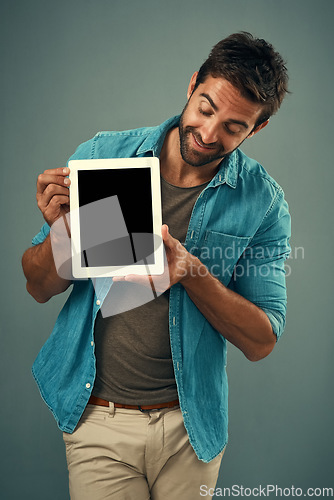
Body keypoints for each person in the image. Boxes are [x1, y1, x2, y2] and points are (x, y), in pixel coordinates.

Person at [22, 32, 291, 499]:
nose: (209, 134)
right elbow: (39, 286)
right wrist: (64, 233)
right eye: (206, 108)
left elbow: (262, 339)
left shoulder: (262, 204)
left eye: (233, 126)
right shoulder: (105, 157)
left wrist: (191, 272)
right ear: (192, 85)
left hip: (190, 430)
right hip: (97, 420)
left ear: (257, 129)